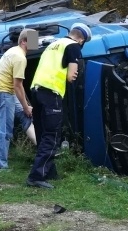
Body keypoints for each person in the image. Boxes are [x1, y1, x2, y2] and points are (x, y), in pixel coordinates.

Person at [26, 22, 91, 189]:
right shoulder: (73, 46)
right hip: (51, 93)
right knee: (52, 136)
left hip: (36, 91)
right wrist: (75, 74)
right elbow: (70, 76)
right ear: (81, 39)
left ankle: (49, 171)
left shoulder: (53, 45)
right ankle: (36, 177)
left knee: (42, 133)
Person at [0, 28, 35, 169]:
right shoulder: (20, 58)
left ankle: (43, 149)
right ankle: (0, 164)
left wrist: (26, 108)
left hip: (5, 91)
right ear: (24, 41)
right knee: (5, 129)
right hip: (3, 93)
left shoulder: (12, 50)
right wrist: (26, 106)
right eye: (33, 40)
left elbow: (17, 86)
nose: (36, 43)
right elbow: (18, 85)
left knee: (26, 116)